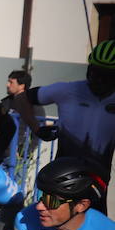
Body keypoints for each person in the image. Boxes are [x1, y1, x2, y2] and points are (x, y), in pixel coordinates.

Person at [12, 40, 115, 183]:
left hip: (97, 178)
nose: (99, 80)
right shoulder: (68, 90)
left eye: (107, 76)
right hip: (62, 174)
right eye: (95, 72)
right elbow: (21, 98)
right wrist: (37, 129)